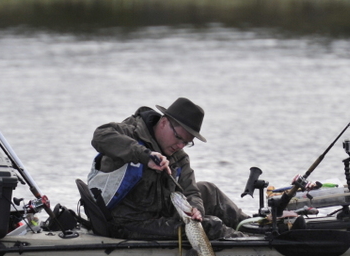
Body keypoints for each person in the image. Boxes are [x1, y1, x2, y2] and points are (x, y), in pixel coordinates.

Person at [88, 97, 249, 240]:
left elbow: (191, 192)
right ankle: (248, 244)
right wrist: (145, 155)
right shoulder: (130, 132)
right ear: (164, 122)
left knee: (209, 191)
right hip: (125, 223)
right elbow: (100, 136)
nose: (180, 146)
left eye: (186, 143)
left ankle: (255, 226)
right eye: (179, 138)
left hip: (158, 215)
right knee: (209, 227)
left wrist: (196, 209)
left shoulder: (179, 156)